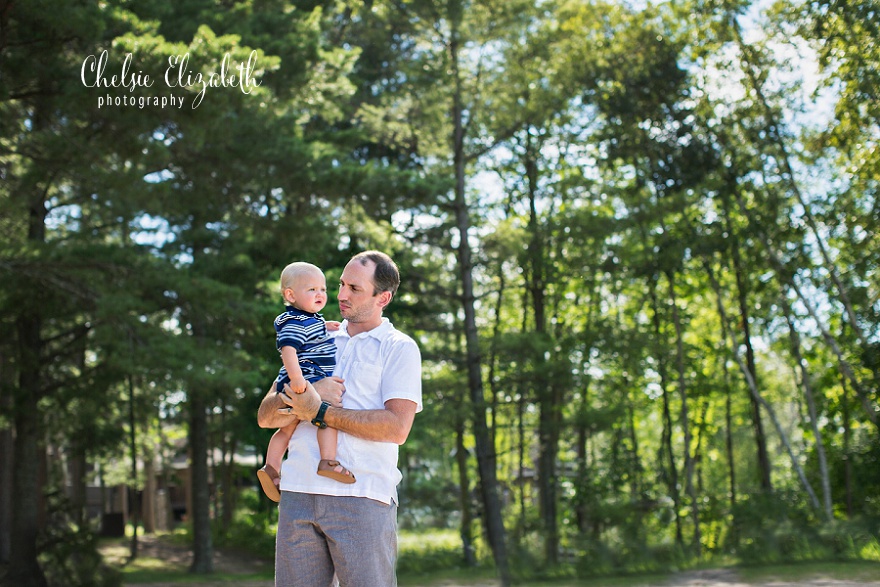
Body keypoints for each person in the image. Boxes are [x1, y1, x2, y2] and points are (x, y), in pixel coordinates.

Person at [257, 250, 422, 587]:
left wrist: (320, 412)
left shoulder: (399, 348)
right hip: (297, 494)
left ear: (383, 297)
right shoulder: (315, 334)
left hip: (362, 497)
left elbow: (397, 427)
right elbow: (265, 415)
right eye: (341, 285)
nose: (342, 295)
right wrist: (310, 390)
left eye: (355, 289)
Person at [257, 262, 355, 504]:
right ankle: (328, 460)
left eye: (322, 289)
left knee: (287, 430)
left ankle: (271, 467)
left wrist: (325, 326)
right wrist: (300, 381)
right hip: (306, 377)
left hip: (304, 376)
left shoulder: (307, 318)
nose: (320, 294)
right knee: (327, 416)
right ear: (290, 295)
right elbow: (289, 350)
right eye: (311, 290)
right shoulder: (293, 322)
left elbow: (309, 333)